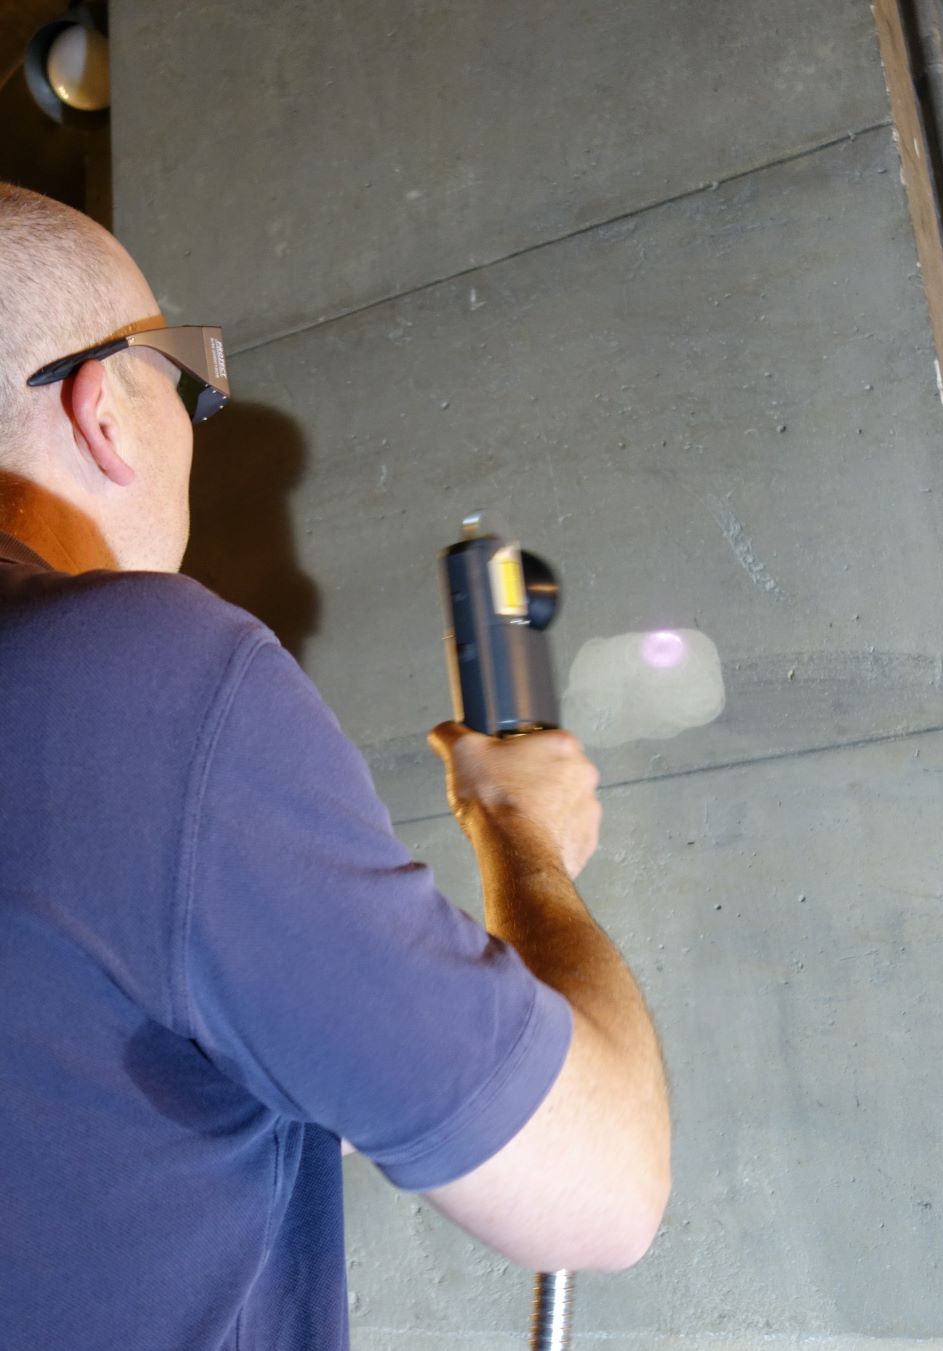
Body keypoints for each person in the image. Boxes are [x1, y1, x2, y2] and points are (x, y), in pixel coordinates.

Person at [0, 182, 670, 1349]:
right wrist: (528, 844)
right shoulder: (134, 670)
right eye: (180, 378)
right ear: (104, 405)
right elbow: (604, 1191)